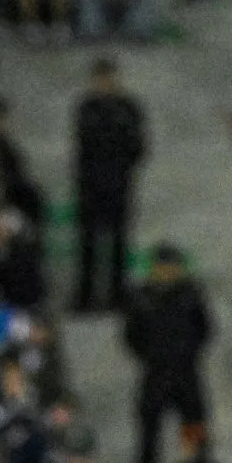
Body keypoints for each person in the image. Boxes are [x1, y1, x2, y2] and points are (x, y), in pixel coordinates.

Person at [121, 243, 212, 463]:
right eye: (163, 267)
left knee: (194, 427)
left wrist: (187, 352)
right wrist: (151, 356)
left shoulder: (191, 294)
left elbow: (204, 330)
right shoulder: (141, 296)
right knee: (149, 434)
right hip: (155, 373)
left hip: (186, 372)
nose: (168, 272)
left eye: (172, 267)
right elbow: (131, 335)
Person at [73, 58, 148, 311]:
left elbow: (138, 146)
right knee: (88, 243)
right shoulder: (86, 108)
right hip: (91, 185)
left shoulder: (129, 108)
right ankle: (86, 295)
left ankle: (117, 295)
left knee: (119, 242)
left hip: (119, 183)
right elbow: (83, 146)